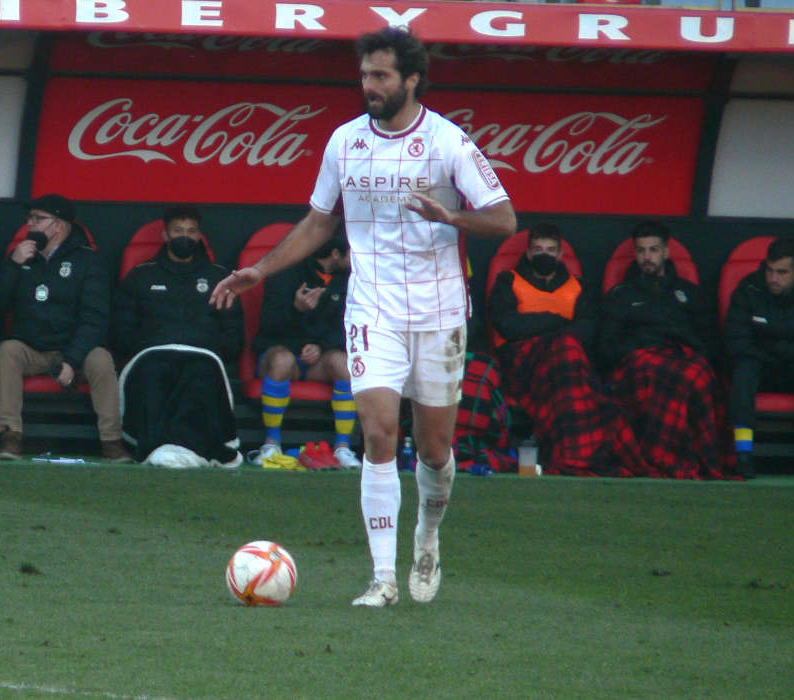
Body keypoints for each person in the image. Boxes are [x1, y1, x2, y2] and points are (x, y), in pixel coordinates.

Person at [211, 28, 516, 607]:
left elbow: (504, 220)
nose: (368, 86)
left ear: (412, 80)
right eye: (364, 76)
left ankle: (427, 535)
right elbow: (320, 221)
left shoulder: (449, 142)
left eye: (380, 76)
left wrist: (449, 217)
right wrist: (261, 270)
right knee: (378, 436)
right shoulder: (345, 142)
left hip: (441, 312)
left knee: (433, 450)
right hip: (372, 308)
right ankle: (382, 579)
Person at [488, 223, 647, 478]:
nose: (544, 255)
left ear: (561, 255)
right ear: (528, 253)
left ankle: (578, 452)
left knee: (568, 349)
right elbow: (509, 326)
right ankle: (577, 451)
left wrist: (545, 329)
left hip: (565, 368)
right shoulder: (509, 280)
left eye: (550, 250)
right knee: (565, 346)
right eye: (538, 249)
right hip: (523, 365)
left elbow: (587, 331)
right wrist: (559, 320)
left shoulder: (578, 286)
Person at [0, 194, 128, 462]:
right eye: (30, 218)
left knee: (101, 358)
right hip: (32, 348)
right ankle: (10, 436)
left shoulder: (89, 260)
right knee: (7, 350)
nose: (30, 225)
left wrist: (72, 361)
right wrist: (12, 265)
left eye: (38, 219)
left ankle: (112, 441)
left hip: (74, 349)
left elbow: (95, 319)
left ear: (59, 226)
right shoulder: (21, 256)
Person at [598, 222, 731, 479]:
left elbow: (711, 343)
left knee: (695, 375)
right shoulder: (621, 295)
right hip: (639, 363)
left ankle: (690, 459)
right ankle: (659, 459)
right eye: (641, 251)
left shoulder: (690, 294)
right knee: (655, 374)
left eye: (653, 250)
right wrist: (645, 343)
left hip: (684, 359)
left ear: (666, 252)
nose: (647, 257)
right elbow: (606, 348)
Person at [114, 205, 244, 468]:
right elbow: (121, 330)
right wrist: (147, 344)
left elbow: (233, 334)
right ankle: (154, 448)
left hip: (203, 356)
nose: (185, 236)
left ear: (199, 236)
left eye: (191, 231)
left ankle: (193, 450)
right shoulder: (141, 275)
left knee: (200, 372)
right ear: (165, 235)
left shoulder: (219, 277)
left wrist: (211, 347)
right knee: (154, 370)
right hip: (152, 354)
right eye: (178, 231)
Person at [724, 237, 794, 481]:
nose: (773, 278)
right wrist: (787, 348)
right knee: (744, 368)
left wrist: (774, 347)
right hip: (762, 369)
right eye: (770, 270)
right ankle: (743, 456)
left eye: (781, 272)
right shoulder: (748, 290)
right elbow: (738, 344)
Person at [250, 233, 359, 469]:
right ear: (335, 254)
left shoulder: (353, 279)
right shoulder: (286, 272)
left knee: (345, 363)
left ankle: (343, 448)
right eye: (352, 252)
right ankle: (271, 444)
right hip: (283, 356)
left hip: (319, 361)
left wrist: (321, 347)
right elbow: (268, 326)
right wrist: (296, 310)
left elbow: (352, 327)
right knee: (281, 359)